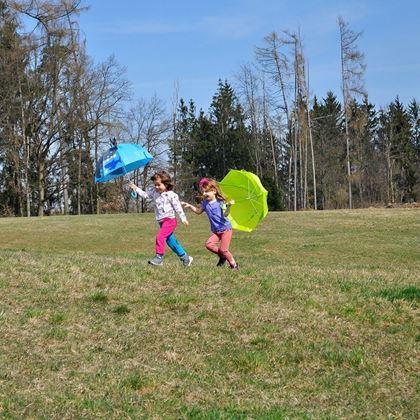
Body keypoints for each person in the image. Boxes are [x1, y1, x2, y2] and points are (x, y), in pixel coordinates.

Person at [129, 171, 193, 267]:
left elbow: (178, 207)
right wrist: (136, 188)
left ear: (166, 184)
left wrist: (183, 218)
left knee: (160, 237)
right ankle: (185, 258)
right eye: (155, 185)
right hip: (161, 222)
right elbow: (145, 195)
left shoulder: (172, 195)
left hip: (170, 221)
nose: (156, 187)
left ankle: (159, 258)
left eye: (159, 185)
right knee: (171, 242)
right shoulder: (154, 192)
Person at [182, 178, 238, 270]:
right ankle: (223, 257)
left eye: (206, 192)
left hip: (226, 230)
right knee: (209, 245)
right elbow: (198, 211)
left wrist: (229, 206)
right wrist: (190, 206)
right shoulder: (205, 203)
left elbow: (226, 214)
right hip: (216, 231)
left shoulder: (221, 202)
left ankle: (234, 265)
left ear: (214, 191)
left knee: (224, 250)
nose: (204, 194)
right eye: (203, 192)